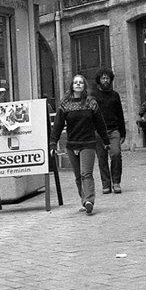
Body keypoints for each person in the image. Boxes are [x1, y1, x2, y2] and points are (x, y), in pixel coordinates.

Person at [50, 73, 110, 216]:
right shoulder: (65, 104)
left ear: (84, 86)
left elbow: (100, 123)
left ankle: (89, 200)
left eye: (81, 82)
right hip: (72, 144)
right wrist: (53, 143)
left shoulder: (91, 103)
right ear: (72, 86)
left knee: (86, 173)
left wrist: (106, 141)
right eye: (75, 82)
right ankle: (84, 200)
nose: (78, 84)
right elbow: (57, 125)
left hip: (88, 143)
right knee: (78, 176)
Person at [91, 67, 127, 194]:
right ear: (99, 80)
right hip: (98, 132)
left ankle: (116, 182)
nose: (105, 80)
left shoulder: (115, 95)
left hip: (113, 130)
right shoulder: (93, 96)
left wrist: (123, 132)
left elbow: (120, 114)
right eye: (103, 78)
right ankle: (106, 184)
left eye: (107, 78)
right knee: (102, 158)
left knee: (116, 154)